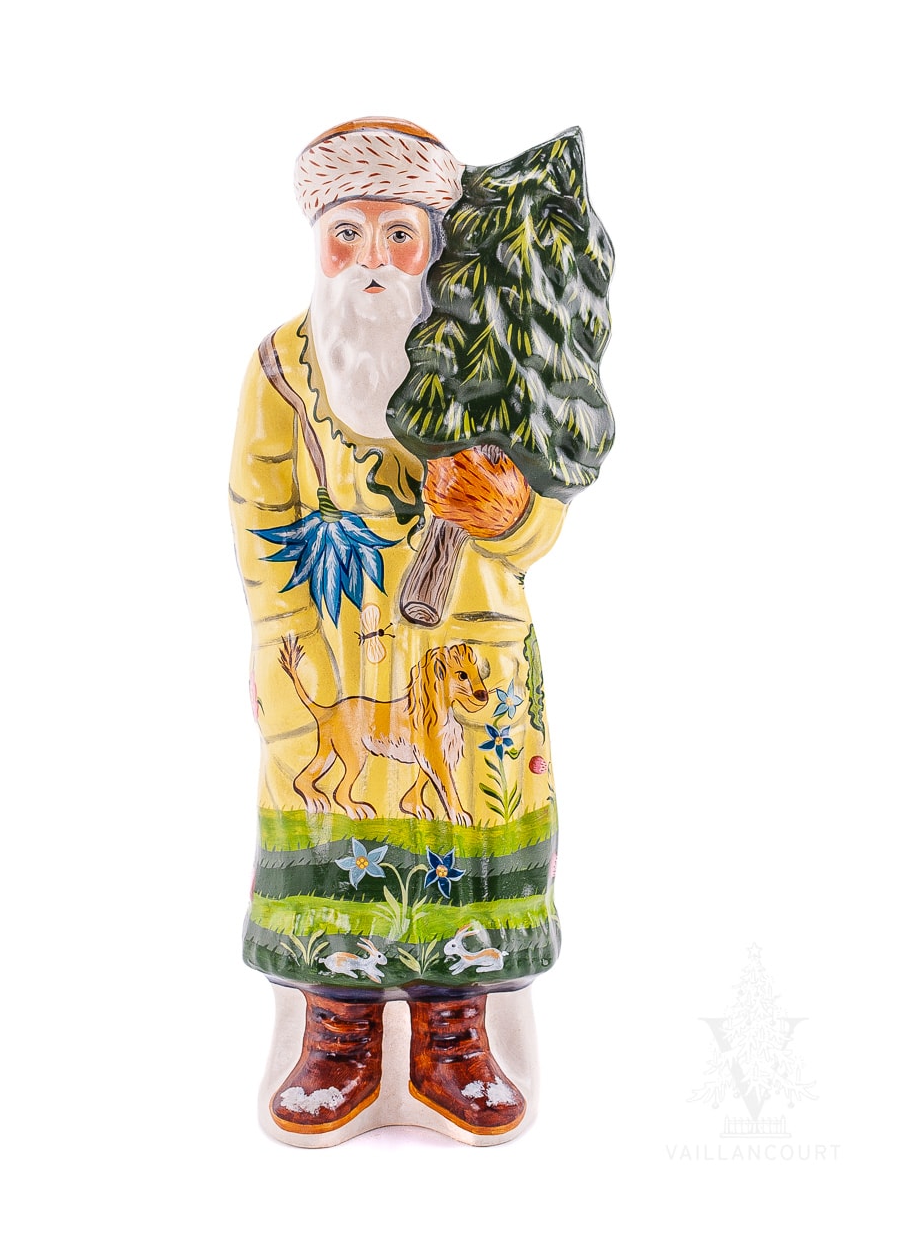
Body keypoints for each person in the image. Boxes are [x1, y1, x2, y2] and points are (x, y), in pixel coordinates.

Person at [229, 119, 567, 1141]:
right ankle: (336, 1032)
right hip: (332, 650)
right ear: (319, 242)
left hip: (468, 664)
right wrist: (282, 650)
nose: (370, 259)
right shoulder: (281, 370)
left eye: (397, 235)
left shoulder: (490, 362)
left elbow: (541, 524)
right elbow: (259, 519)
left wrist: (508, 510)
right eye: (348, 234)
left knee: (466, 829)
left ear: (431, 247)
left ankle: (453, 1034)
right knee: (331, 826)